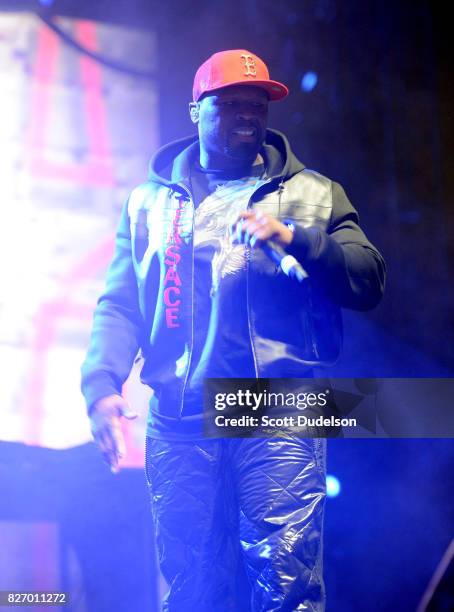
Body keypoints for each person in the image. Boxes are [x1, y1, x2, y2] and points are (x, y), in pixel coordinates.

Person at [81, 49, 386, 611]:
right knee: (194, 587)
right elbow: (121, 304)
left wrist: (298, 239)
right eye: (229, 104)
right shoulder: (147, 203)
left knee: (286, 585)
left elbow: (368, 281)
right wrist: (101, 384)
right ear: (194, 110)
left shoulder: (314, 194)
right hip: (181, 415)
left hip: (279, 412)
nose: (248, 114)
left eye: (257, 104)